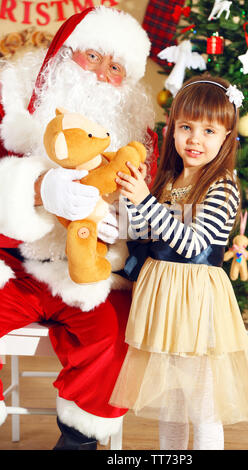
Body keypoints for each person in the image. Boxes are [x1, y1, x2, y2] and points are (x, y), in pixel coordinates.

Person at [0, 6, 158, 449]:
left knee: (121, 335)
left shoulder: (139, 137)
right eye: (93, 57)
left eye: (115, 68)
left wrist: (123, 228)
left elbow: (152, 210)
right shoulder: (7, 100)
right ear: (64, 51)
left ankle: (78, 442)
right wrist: (35, 190)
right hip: (10, 264)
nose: (101, 75)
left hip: (88, 274)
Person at [109, 74, 248, 450]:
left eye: (209, 130)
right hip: (162, 299)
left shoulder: (222, 185)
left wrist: (146, 203)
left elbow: (191, 243)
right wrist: (131, 201)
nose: (195, 139)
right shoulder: (168, 179)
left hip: (197, 302)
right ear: (173, 130)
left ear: (227, 138)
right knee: (172, 405)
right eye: (186, 127)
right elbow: (145, 238)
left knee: (202, 404)